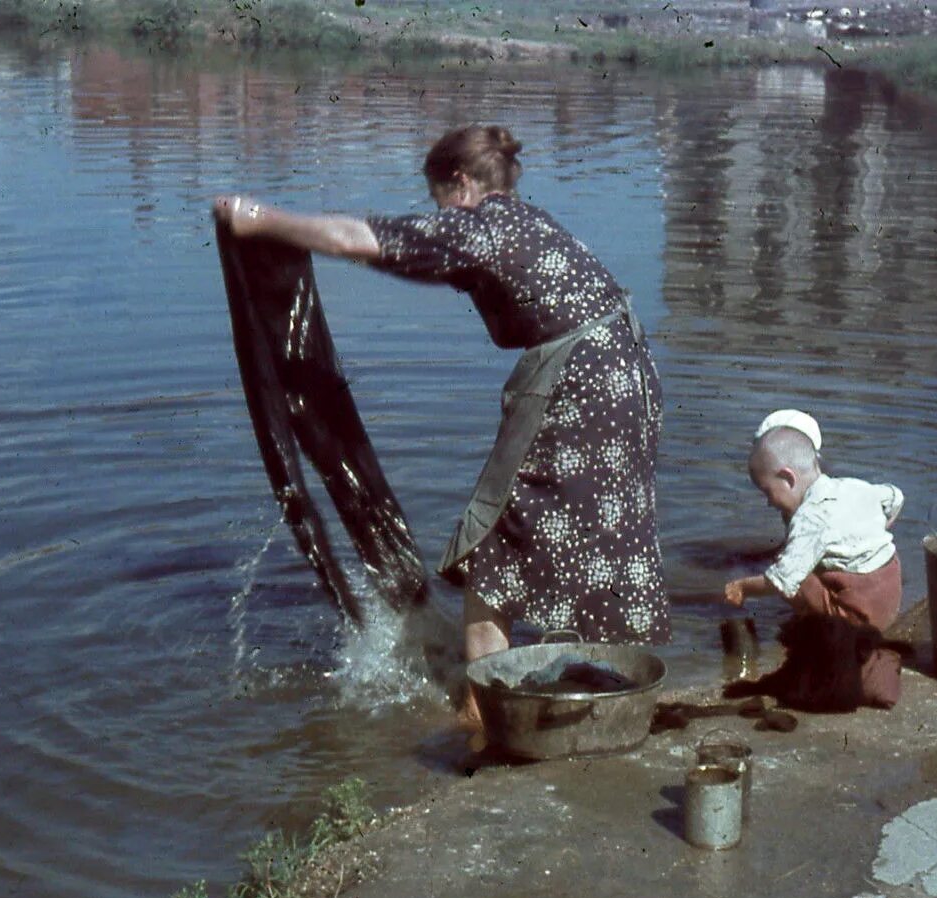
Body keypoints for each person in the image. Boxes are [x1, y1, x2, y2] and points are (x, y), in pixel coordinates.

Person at [213, 125, 671, 719]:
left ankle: (483, 718)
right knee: (590, 537)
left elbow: (367, 238)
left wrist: (263, 219)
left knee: (496, 552)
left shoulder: (481, 225)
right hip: (628, 382)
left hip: (583, 389)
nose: (437, 213)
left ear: (459, 185)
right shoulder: (529, 223)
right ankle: (592, 692)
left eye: (436, 199)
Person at [722, 409, 907, 708]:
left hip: (860, 611)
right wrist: (872, 533)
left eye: (768, 492)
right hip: (888, 590)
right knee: (806, 560)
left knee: (793, 572)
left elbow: (782, 581)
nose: (768, 502)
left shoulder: (811, 517)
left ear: (787, 477)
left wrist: (743, 587)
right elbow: (895, 497)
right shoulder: (851, 486)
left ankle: (834, 624)